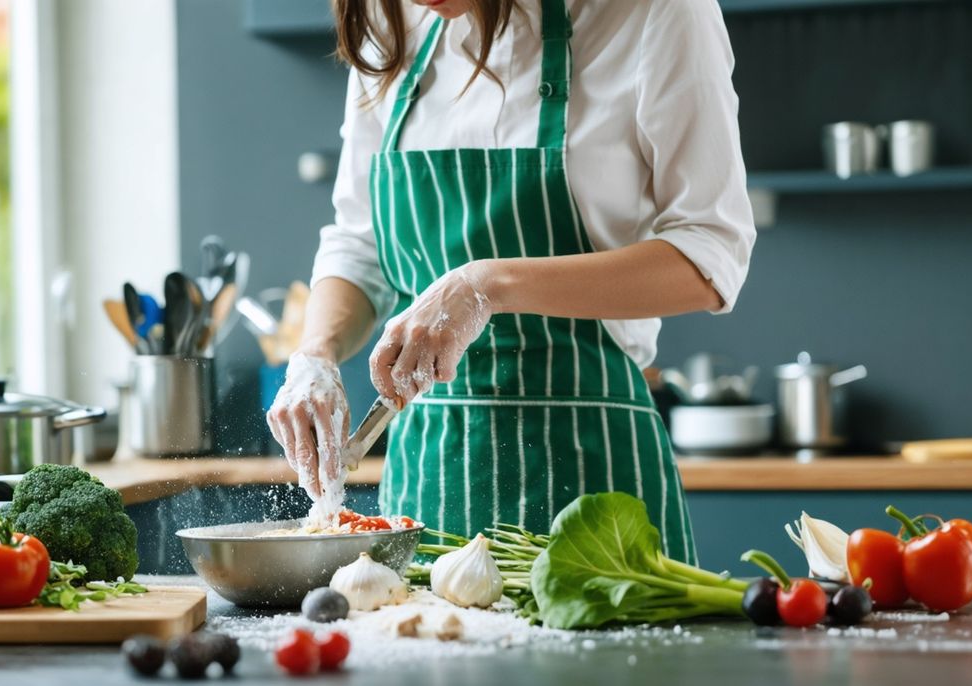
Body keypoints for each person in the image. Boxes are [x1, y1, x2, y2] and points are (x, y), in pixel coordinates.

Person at [267, 0, 755, 562]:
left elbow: (710, 254)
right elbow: (361, 244)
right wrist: (316, 352)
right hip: (428, 481)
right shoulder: (391, 21)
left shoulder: (657, 12)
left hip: (591, 485)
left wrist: (488, 284)